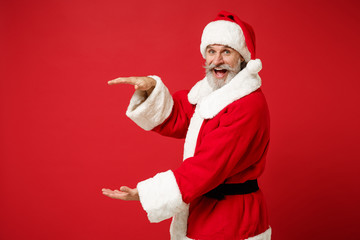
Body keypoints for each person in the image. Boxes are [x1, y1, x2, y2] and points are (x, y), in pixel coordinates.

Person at [102, 11, 272, 240]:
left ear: (241, 58)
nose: (217, 60)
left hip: (232, 219)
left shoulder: (248, 105)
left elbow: (207, 165)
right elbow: (179, 115)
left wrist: (148, 193)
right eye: (211, 51)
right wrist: (151, 89)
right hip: (203, 209)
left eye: (226, 52)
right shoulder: (213, 94)